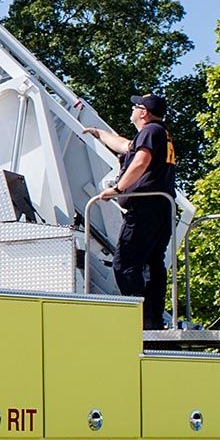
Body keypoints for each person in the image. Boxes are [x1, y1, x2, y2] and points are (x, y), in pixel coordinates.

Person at [81, 92, 179, 328]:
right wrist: (100, 133)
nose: (132, 110)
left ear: (143, 112)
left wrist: (118, 189)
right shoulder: (160, 134)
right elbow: (126, 146)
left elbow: (140, 161)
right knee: (154, 264)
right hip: (162, 208)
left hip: (145, 208)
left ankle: (138, 317)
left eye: (136, 106)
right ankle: (152, 318)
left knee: (125, 263)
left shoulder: (149, 132)